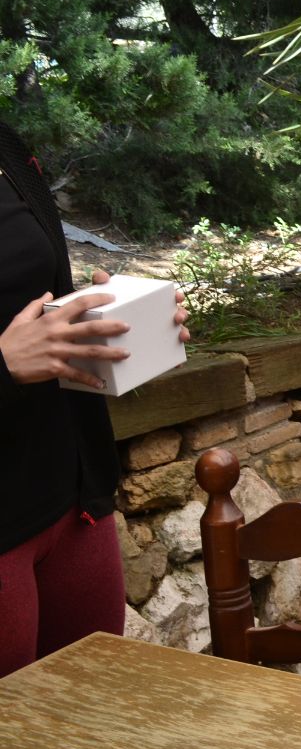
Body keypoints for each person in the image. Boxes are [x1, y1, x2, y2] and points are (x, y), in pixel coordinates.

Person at [0, 121, 190, 677]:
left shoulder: (6, 144)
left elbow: (37, 298)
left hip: (71, 498)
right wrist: (4, 366)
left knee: (95, 708)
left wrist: (118, 321)